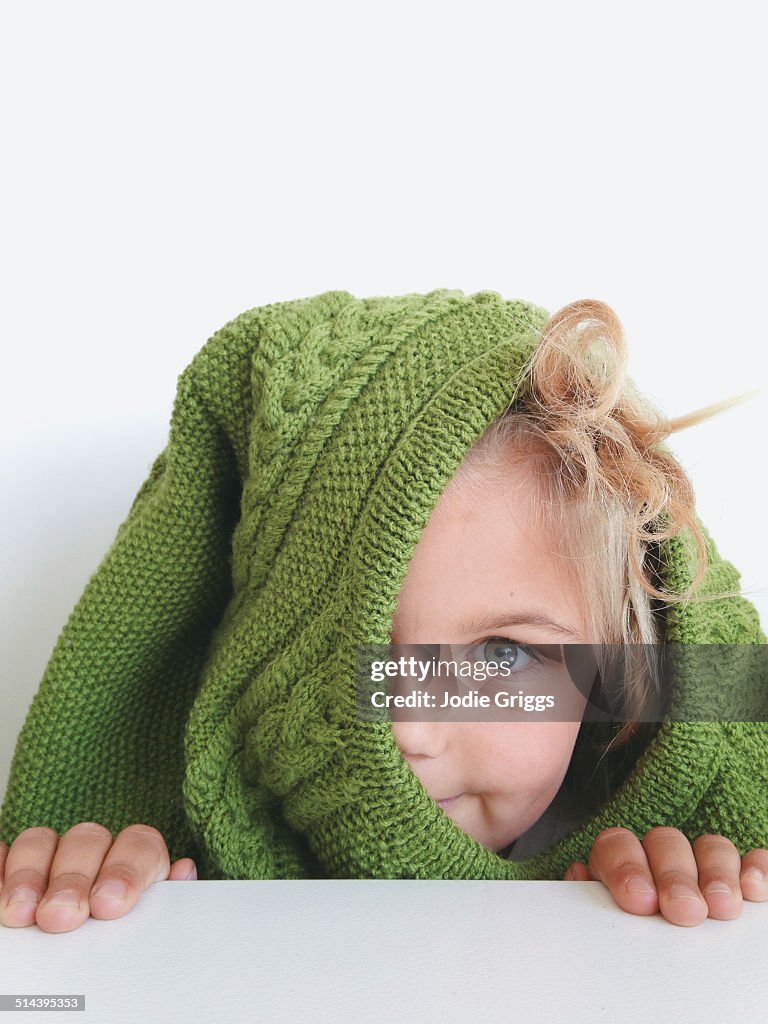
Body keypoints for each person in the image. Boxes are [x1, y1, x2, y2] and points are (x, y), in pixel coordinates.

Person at [0, 288, 766, 935]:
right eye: (352, 649)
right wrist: (91, 894)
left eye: (502, 654)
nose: (411, 731)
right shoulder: (174, 879)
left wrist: (707, 911)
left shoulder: (637, 883)